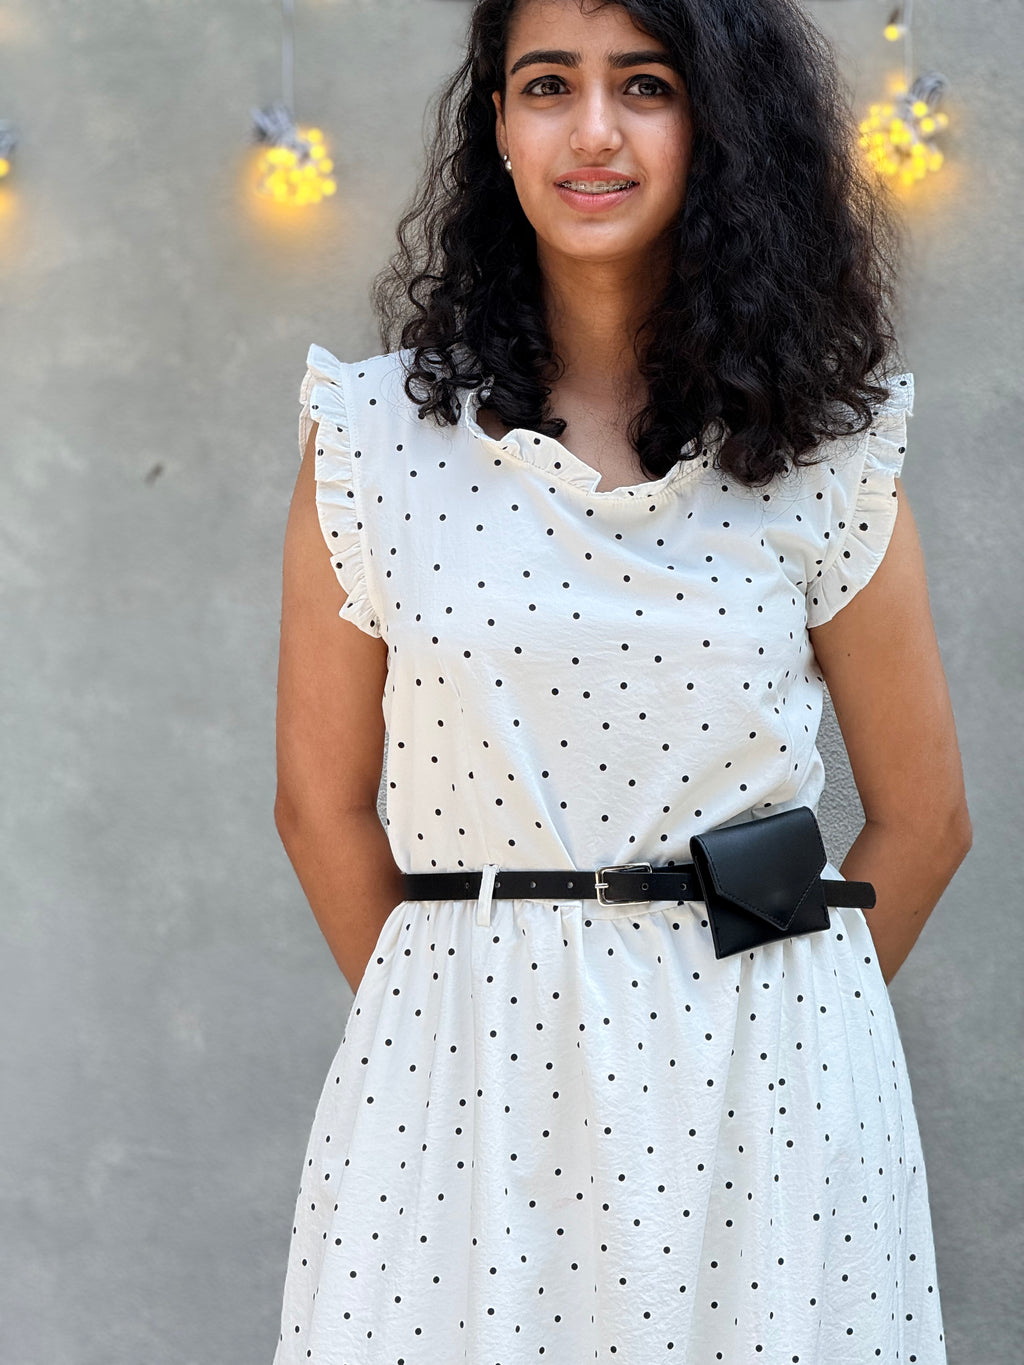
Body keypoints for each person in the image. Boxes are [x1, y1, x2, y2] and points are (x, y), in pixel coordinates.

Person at [270, 0, 971, 1359]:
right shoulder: (370, 438)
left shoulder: (825, 449)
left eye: (645, 85)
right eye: (549, 85)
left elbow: (926, 819)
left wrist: (785, 1037)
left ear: (717, 124)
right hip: (463, 1096)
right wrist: (468, 1023)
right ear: (498, 126)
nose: (593, 130)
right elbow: (321, 807)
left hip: (764, 1114)